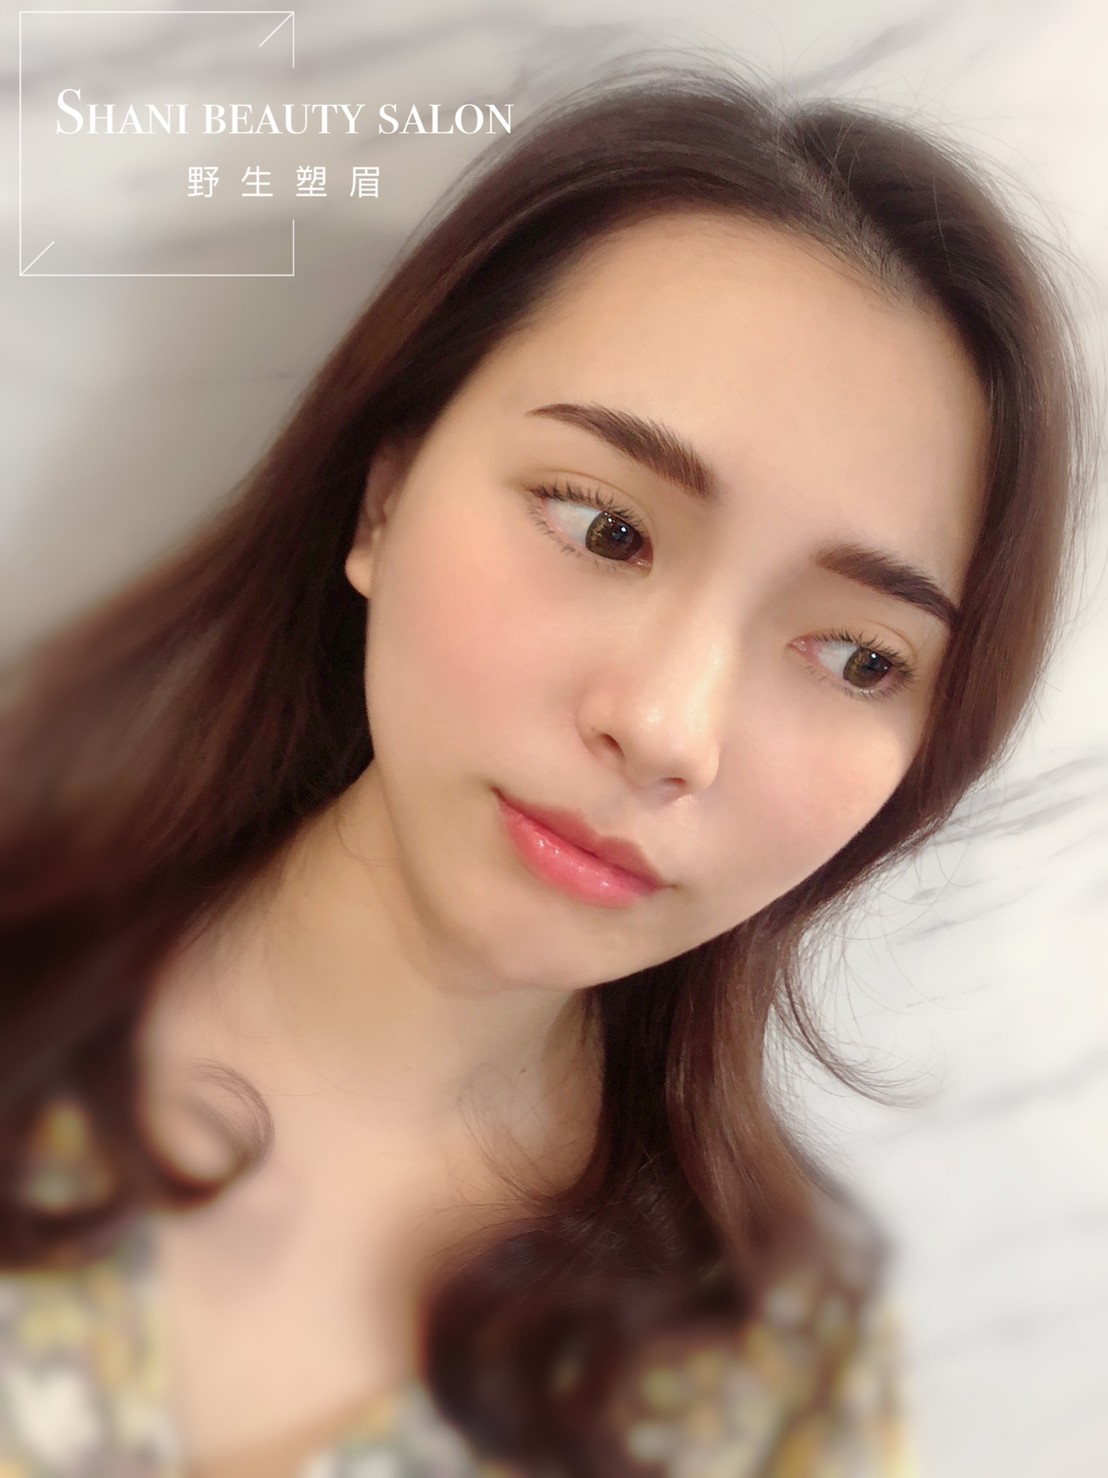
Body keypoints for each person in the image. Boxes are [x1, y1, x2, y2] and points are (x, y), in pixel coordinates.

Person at [0, 57, 1088, 1477]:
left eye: (856, 657)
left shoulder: (765, 1379)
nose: (670, 727)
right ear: (385, 499)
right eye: (604, 528)